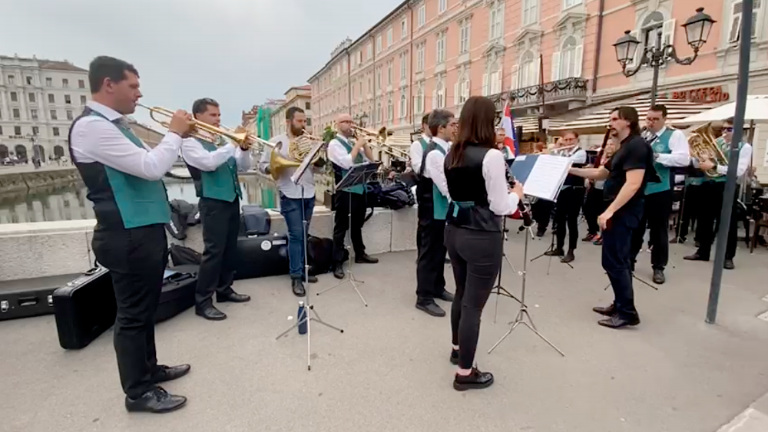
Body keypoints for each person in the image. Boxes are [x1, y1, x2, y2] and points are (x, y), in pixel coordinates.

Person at [69, 56, 194, 413]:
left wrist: (175, 137)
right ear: (109, 84)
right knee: (132, 315)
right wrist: (174, 132)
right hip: (125, 234)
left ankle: (149, 369)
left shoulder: (117, 125)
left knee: (145, 307)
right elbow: (152, 167)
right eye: (133, 86)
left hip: (141, 231)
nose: (140, 94)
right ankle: (137, 392)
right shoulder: (93, 127)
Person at [443, 96, 524, 391]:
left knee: (462, 292)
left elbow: (454, 196)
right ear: (487, 121)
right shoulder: (491, 156)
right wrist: (518, 193)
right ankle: (465, 374)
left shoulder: (451, 153)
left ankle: (456, 349)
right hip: (481, 235)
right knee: (473, 306)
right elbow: (501, 206)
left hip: (454, 230)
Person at [569, 106, 654, 329]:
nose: (611, 123)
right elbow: (601, 173)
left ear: (628, 122)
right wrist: (570, 169)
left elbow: (634, 183)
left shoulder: (637, 146)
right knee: (618, 260)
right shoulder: (623, 147)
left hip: (624, 210)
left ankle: (627, 312)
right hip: (618, 210)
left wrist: (610, 211)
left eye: (615, 119)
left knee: (615, 261)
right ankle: (620, 304)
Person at [182, 98, 252, 320]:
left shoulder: (220, 140)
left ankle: (224, 290)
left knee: (230, 249)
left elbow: (243, 166)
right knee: (213, 252)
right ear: (198, 117)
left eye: (219, 115)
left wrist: (243, 149)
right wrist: (232, 143)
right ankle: (202, 302)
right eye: (213, 115)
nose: (218, 119)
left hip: (231, 199)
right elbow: (208, 163)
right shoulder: (189, 142)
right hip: (212, 202)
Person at [259, 107, 321, 297]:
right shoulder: (275, 142)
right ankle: (296, 276)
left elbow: (318, 169)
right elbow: (263, 167)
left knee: (303, 234)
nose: (303, 125)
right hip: (289, 193)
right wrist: (277, 165)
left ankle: (302, 270)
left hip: (308, 192)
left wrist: (318, 155)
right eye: (299, 121)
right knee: (296, 235)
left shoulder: (308, 142)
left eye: (305, 121)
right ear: (288, 122)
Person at [628, 105, 690, 284]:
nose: (650, 122)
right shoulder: (642, 135)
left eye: (655, 119)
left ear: (664, 119)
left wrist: (657, 156)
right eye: (648, 119)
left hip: (660, 189)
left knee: (659, 230)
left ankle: (658, 267)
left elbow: (683, 159)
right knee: (635, 227)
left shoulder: (674, 135)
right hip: (639, 188)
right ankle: (629, 261)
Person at [684, 117, 753, 269]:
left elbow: (738, 171)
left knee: (727, 222)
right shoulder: (718, 143)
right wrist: (695, 157)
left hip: (727, 187)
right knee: (705, 219)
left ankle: (728, 257)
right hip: (709, 183)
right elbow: (700, 164)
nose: (724, 132)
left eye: (729, 129)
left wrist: (714, 166)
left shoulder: (744, 147)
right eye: (723, 129)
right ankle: (703, 251)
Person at [415, 109, 457, 317]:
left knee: (441, 251)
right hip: (432, 208)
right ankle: (423, 297)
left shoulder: (445, 149)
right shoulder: (434, 153)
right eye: (452, 125)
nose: (455, 128)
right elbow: (445, 186)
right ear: (441, 128)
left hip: (440, 209)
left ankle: (437, 287)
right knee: (429, 253)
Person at [328, 113, 379, 279]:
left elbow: (371, 162)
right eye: (346, 122)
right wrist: (358, 145)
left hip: (360, 189)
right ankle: (337, 262)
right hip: (345, 191)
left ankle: (360, 253)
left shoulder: (352, 143)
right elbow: (346, 162)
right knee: (341, 227)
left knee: (357, 224)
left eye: (351, 121)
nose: (350, 124)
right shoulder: (334, 144)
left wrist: (365, 146)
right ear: (338, 124)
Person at [544, 131, 587, 263]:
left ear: (577, 140)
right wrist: (557, 147)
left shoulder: (581, 153)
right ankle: (559, 247)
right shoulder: (562, 152)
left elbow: (565, 162)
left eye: (571, 140)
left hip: (575, 190)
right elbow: (552, 160)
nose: (568, 142)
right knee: (559, 219)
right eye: (566, 140)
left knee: (572, 221)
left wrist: (557, 151)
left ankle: (571, 251)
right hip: (562, 190)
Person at [583, 139, 615, 243]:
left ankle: (603, 235)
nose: (609, 146)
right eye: (607, 144)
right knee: (588, 210)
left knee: (603, 212)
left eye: (612, 144)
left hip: (607, 189)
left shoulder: (615, 158)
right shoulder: (600, 157)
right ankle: (592, 231)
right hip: (596, 187)